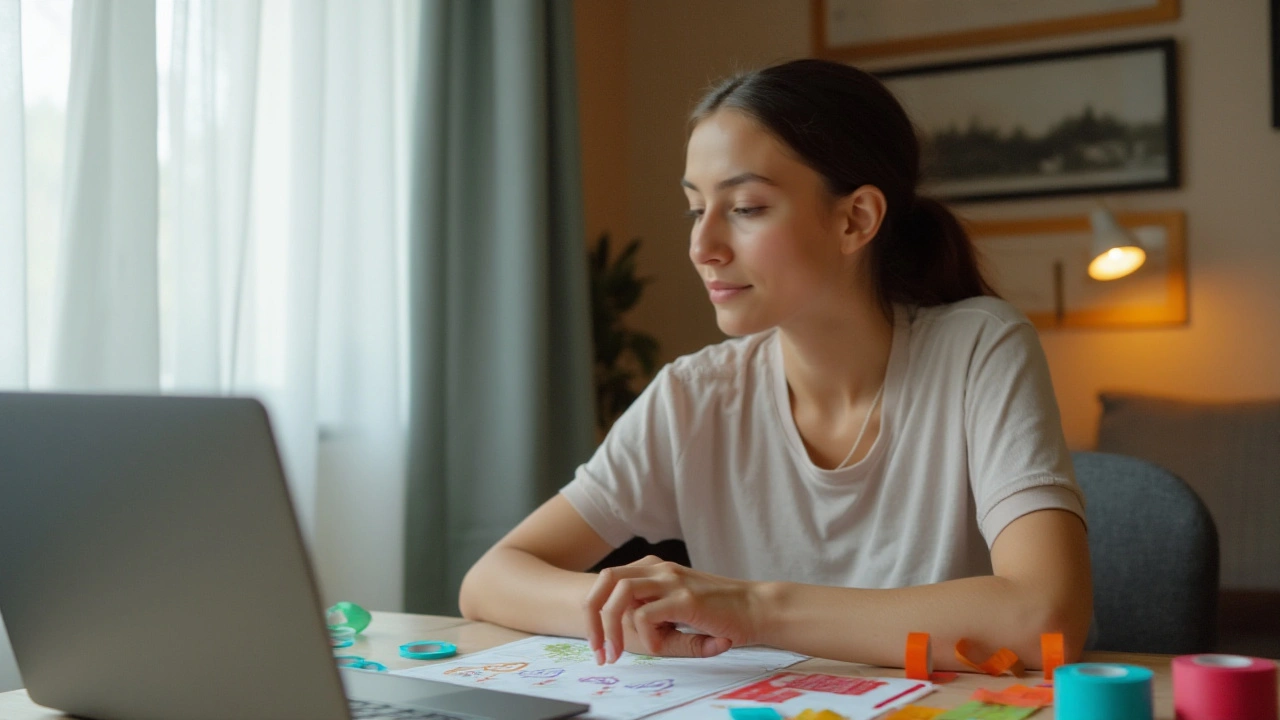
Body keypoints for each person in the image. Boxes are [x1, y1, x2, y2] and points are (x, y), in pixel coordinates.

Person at [458, 58, 1093, 671]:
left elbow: (1044, 615)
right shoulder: (692, 395)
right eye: (694, 208)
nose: (703, 246)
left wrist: (752, 608)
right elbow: (490, 580)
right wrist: (633, 612)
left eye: (745, 208)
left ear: (855, 219)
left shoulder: (980, 349)